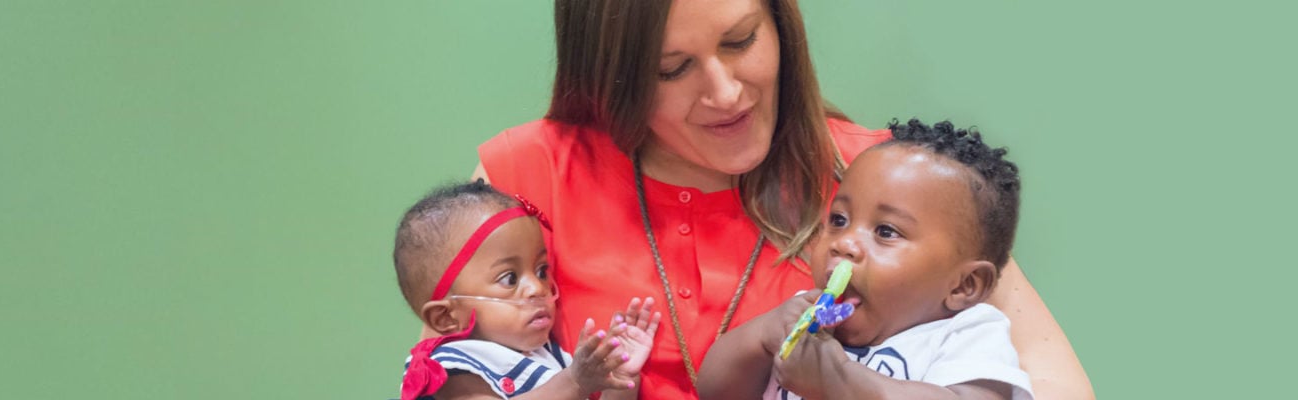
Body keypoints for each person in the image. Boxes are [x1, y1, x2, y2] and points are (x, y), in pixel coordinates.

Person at [468, 1, 1094, 398]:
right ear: (610, 74)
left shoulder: (897, 184)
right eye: (671, 69)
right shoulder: (528, 173)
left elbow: (1055, 384)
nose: (725, 92)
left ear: (780, 25)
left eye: (740, 41)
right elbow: (448, 376)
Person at [697, 119, 1033, 400]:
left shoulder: (966, 334)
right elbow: (715, 391)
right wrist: (764, 335)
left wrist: (842, 382)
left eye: (885, 231)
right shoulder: (804, 319)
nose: (844, 244)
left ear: (964, 285)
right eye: (839, 220)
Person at [394, 181, 662, 399]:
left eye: (542, 271)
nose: (537, 288)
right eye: (509, 278)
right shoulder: (452, 368)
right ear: (446, 317)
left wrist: (622, 375)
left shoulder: (551, 358)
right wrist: (574, 382)